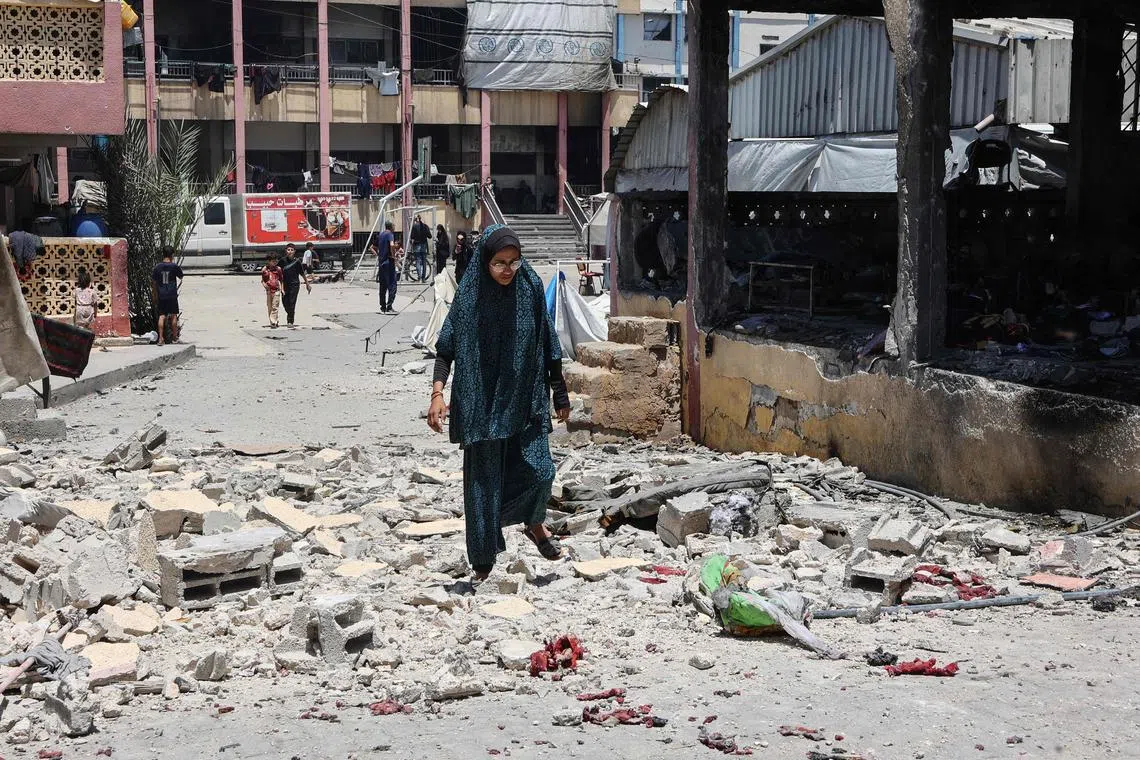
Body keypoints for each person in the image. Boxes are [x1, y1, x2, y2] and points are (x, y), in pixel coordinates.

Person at [428, 225, 570, 580]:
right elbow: (446, 348)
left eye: (514, 262)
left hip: (526, 398)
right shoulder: (470, 296)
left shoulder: (531, 288)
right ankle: (483, 564)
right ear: (485, 262)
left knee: (541, 471)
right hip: (482, 405)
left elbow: (547, 340)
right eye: (499, 263)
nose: (507, 270)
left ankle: (533, 522)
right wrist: (437, 394)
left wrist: (560, 389)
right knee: (483, 484)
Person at [151, 247, 184, 345]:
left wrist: (155, 294)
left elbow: (153, 282)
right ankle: (174, 338)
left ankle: (161, 338)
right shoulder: (174, 266)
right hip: (172, 294)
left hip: (162, 294)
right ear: (172, 255)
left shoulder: (157, 267)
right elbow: (181, 276)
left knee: (162, 316)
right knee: (173, 315)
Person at [279, 242, 312, 328]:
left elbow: (302, 274)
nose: (290, 251)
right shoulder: (282, 261)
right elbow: (277, 270)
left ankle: (290, 321)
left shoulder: (297, 262)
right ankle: (289, 313)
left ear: (294, 251)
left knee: (292, 302)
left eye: (291, 250)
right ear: (286, 251)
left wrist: (307, 284)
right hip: (284, 284)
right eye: (288, 250)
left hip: (295, 285)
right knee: (285, 302)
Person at [376, 222, 397, 312]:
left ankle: (383, 306)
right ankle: (389, 306)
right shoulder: (390, 234)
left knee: (383, 285)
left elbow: (373, 247)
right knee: (392, 284)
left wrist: (379, 254)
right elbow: (392, 245)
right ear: (391, 226)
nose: (394, 227)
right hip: (389, 262)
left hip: (381, 263)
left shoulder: (381, 234)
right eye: (394, 225)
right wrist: (393, 255)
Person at [261, 252, 284, 328]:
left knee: (275, 306)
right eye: (273, 261)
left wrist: (282, 289)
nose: (275, 263)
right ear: (269, 261)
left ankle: (273, 322)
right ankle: (274, 321)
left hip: (276, 289)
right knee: (270, 306)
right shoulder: (265, 270)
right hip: (269, 290)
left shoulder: (278, 269)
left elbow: (281, 280)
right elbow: (263, 281)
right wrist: (265, 286)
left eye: (276, 261)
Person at [409, 215, 431, 282]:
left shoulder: (414, 226)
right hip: (423, 245)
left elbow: (412, 236)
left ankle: (419, 277)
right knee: (424, 262)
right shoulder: (425, 226)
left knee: (418, 261)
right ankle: (423, 278)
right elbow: (430, 236)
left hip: (416, 245)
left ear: (416, 220)